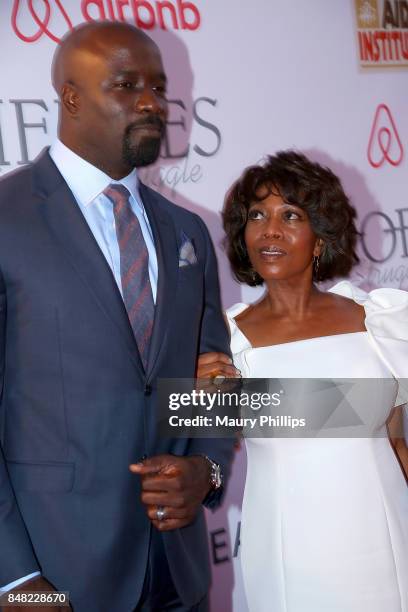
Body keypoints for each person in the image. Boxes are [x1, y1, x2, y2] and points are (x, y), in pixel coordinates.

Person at [0, 22, 237, 612]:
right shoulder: (5, 219)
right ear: (71, 97)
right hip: (52, 576)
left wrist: (205, 469)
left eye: (158, 86)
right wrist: (13, 581)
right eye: (127, 85)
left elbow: (214, 376)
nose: (152, 102)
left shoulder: (188, 232)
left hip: (178, 572)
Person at [203, 150, 408, 611]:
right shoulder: (223, 340)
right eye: (257, 215)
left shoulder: (377, 321)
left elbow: (395, 444)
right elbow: (203, 454)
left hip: (387, 538)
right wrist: (202, 401)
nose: (270, 230)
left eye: (290, 215)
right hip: (287, 552)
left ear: (320, 238)